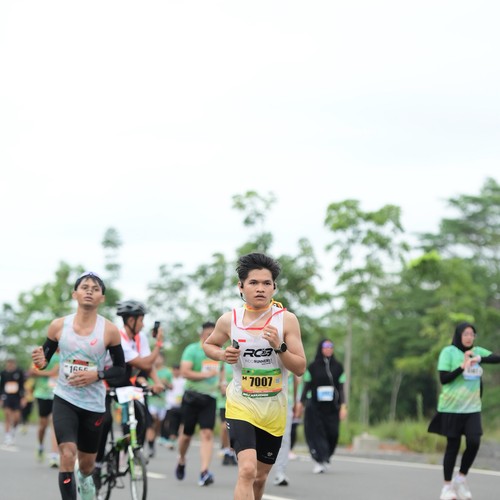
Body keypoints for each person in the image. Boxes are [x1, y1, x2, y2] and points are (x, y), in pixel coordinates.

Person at [203, 252, 306, 500]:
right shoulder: (229, 320)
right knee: (247, 471)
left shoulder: (287, 320)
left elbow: (300, 367)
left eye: (266, 283)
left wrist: (279, 347)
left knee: (259, 479)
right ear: (241, 286)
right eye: (253, 283)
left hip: (274, 410)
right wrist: (222, 354)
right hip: (241, 404)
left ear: (274, 287)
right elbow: (209, 344)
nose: (260, 288)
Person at [31, 271, 126, 500]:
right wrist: (40, 362)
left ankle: (86, 484)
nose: (89, 292)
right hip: (65, 398)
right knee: (67, 453)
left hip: (94, 404)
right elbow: (43, 361)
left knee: (86, 466)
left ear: (102, 297)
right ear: (75, 294)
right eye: (85, 287)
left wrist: (97, 375)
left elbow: (120, 370)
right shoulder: (58, 326)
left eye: (95, 289)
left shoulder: (109, 331)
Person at [94, 300, 165, 486]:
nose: (143, 324)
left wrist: (157, 383)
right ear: (131, 320)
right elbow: (145, 363)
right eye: (141, 320)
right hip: (106, 382)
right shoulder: (119, 337)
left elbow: (148, 365)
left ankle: (132, 452)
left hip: (126, 383)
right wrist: (159, 343)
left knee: (142, 417)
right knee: (105, 421)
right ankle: (98, 463)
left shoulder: (141, 338)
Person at [428, 321, 500, 500]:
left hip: (472, 408)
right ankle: (447, 487)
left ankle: (460, 478)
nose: (469, 337)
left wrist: (479, 359)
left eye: (472, 334)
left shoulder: (477, 351)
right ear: (459, 335)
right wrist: (462, 366)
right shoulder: (448, 352)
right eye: (465, 334)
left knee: (474, 442)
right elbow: (444, 379)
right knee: (452, 446)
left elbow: (497, 358)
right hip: (451, 408)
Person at [175, 321, 219, 487]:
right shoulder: (192, 350)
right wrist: (205, 375)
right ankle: (181, 459)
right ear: (202, 335)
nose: (212, 337)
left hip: (210, 398)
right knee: (186, 435)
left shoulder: (219, 351)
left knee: (207, 433)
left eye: (214, 334)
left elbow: (222, 372)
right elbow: (185, 372)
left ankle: (204, 471)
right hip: (192, 397)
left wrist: (222, 383)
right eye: (208, 335)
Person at [298, 338, 347, 474]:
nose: (328, 349)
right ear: (320, 349)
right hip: (315, 407)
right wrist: (301, 403)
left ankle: (326, 457)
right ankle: (319, 460)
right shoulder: (312, 367)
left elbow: (341, 389)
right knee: (316, 433)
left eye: (331, 346)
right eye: (325, 346)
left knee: (333, 433)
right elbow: (306, 387)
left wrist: (343, 406)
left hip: (332, 408)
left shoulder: (338, 367)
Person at [29, 348, 60, 467]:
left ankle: (54, 456)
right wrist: (45, 372)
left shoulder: (66, 354)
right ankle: (41, 445)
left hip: (57, 394)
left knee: (54, 423)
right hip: (42, 394)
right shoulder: (43, 355)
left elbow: (54, 372)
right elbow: (32, 371)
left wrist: (40, 372)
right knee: (43, 425)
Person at [272, 372, 300, 486]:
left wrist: (295, 401)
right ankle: (255, 471)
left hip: (285, 402)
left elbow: (296, 378)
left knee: (284, 438)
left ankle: (280, 472)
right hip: (261, 400)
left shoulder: (287, 359)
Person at [144, 353, 172, 458]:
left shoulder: (167, 372)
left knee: (158, 422)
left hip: (162, 402)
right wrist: (150, 387)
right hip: (151, 400)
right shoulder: (148, 369)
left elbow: (171, 386)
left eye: (159, 358)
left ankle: (153, 439)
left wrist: (165, 383)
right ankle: (150, 445)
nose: (157, 360)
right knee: (152, 420)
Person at [0, 357, 26, 446]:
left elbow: (22, 385)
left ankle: (13, 432)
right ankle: (7, 436)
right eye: (9, 363)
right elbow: (1, 386)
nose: (10, 365)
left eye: (12, 363)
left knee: (16, 418)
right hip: (7, 396)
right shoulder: (3, 373)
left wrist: (23, 398)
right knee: (7, 415)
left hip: (17, 397)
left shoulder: (19, 372)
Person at [162, 364, 185, 449]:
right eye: (174, 370)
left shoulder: (184, 380)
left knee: (181, 424)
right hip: (170, 406)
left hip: (182, 406)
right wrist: (166, 383)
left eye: (178, 370)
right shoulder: (170, 379)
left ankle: (180, 441)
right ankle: (170, 440)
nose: (176, 372)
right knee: (170, 424)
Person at [219, 362, 237, 466]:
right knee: (225, 427)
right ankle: (226, 450)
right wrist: (222, 384)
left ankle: (231, 452)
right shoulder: (224, 365)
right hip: (224, 402)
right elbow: (221, 383)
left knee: (235, 429)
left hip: (237, 402)